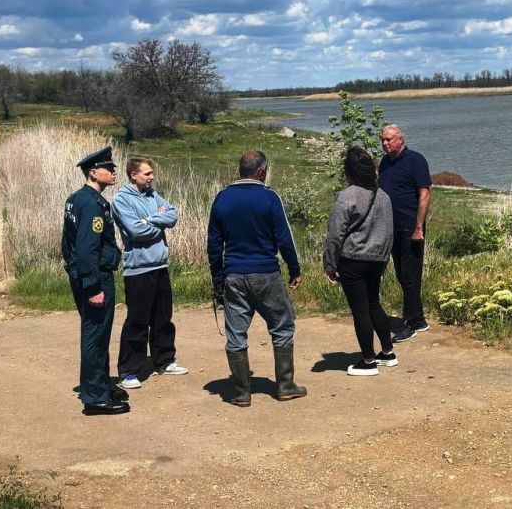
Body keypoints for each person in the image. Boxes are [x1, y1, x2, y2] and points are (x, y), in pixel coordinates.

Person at [207, 151, 307, 406]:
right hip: (265, 273)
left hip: (234, 274)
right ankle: (285, 385)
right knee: (282, 326)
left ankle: (241, 392)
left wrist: (218, 277)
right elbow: (284, 238)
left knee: (236, 333)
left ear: (240, 170)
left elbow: (214, 245)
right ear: (261, 172)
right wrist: (294, 269)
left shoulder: (222, 198)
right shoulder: (269, 197)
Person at [61, 146, 128, 416]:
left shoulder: (77, 199)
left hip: (86, 275)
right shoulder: (91, 203)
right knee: (95, 337)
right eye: (108, 168)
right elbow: (87, 248)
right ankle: (95, 398)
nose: (113, 172)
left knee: (97, 335)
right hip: (95, 278)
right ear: (93, 172)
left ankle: (100, 385)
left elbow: (68, 244)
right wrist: (93, 287)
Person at [112, 156, 187, 390]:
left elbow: (172, 215)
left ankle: (164, 360)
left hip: (160, 265)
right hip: (138, 269)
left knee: (163, 318)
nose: (151, 177)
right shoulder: (121, 200)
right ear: (133, 175)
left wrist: (150, 220)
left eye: (152, 173)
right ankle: (129, 370)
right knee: (138, 321)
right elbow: (135, 231)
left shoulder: (153, 196)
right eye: (147, 174)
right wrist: (156, 223)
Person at [323, 147, 397, 376]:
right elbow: (389, 231)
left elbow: (335, 233)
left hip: (352, 258)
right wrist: (384, 257)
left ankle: (368, 361)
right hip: (377, 258)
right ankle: (387, 352)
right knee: (374, 304)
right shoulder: (383, 196)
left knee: (360, 310)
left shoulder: (347, 195)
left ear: (349, 170)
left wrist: (330, 263)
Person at [378, 125, 432, 344]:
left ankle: (409, 324)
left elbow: (425, 194)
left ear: (401, 139)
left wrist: (418, 228)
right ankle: (418, 319)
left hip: (411, 229)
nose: (385, 143)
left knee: (411, 276)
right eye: (382, 140)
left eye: (389, 139)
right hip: (392, 228)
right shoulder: (385, 163)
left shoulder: (415, 160)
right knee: (402, 274)